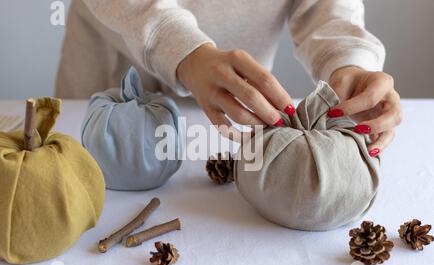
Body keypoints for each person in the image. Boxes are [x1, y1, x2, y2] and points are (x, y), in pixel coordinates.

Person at [57, 0, 402, 157]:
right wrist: (186, 52)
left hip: (235, 105)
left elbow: (326, 7)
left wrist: (351, 63)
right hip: (109, 72)